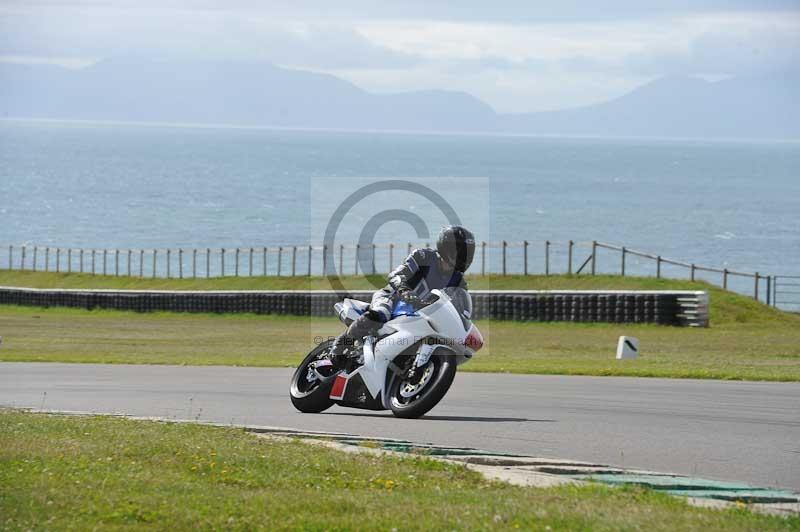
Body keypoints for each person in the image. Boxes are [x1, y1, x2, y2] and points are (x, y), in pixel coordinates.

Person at [329, 225, 476, 366]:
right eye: (462, 251)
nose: (465, 256)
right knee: (380, 314)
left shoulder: (458, 281)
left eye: (468, 252)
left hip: (420, 314)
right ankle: (341, 344)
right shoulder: (424, 256)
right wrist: (405, 291)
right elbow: (396, 275)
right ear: (447, 247)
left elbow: (459, 307)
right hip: (392, 298)